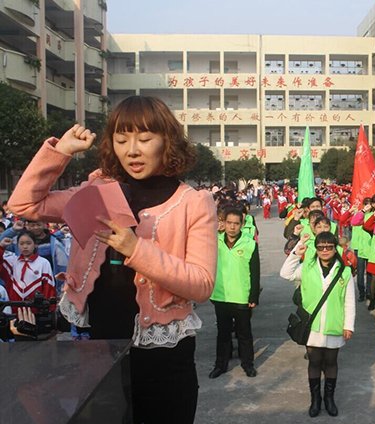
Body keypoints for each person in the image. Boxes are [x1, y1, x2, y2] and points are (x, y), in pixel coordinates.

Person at [7, 96, 218, 423]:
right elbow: (23, 205)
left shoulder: (192, 203)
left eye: (145, 139)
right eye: (122, 140)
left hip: (164, 360)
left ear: (167, 141)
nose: (132, 150)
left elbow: (202, 284)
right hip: (100, 350)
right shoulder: (99, 191)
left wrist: (137, 250)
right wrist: (60, 152)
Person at [280, 231, 356, 417]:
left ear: (334, 248)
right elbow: (285, 273)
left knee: (331, 362)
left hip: (334, 324)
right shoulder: (307, 267)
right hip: (312, 326)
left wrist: (349, 325)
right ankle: (315, 400)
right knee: (314, 362)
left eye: (329, 247)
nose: (324, 250)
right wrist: (298, 249)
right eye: (320, 247)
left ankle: (329, 398)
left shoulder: (344, 271)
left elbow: (349, 301)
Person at [209, 207, 260, 379]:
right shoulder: (214, 241)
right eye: (229, 223)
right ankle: (220, 365)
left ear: (242, 224)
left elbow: (255, 271)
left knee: (244, 334)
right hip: (220, 296)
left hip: (241, 296)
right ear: (223, 223)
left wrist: (254, 296)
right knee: (223, 334)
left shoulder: (249, 243)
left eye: (236, 224)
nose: (232, 227)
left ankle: (248, 364)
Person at [0, 232, 55, 313]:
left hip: (36, 311)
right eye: (21, 244)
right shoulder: (12, 262)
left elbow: (48, 287)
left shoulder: (43, 262)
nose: (25, 247)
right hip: (14, 309)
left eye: (28, 243)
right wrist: (1, 247)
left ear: (35, 244)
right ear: (17, 245)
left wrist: (48, 309)